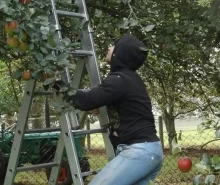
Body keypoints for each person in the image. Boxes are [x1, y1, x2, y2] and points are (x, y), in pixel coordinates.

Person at [67, 33, 162, 185]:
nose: (109, 48)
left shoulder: (119, 80)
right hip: (150, 150)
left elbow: (85, 101)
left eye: (114, 46)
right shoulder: (130, 79)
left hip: (139, 152)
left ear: (120, 53)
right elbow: (126, 105)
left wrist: (58, 83)